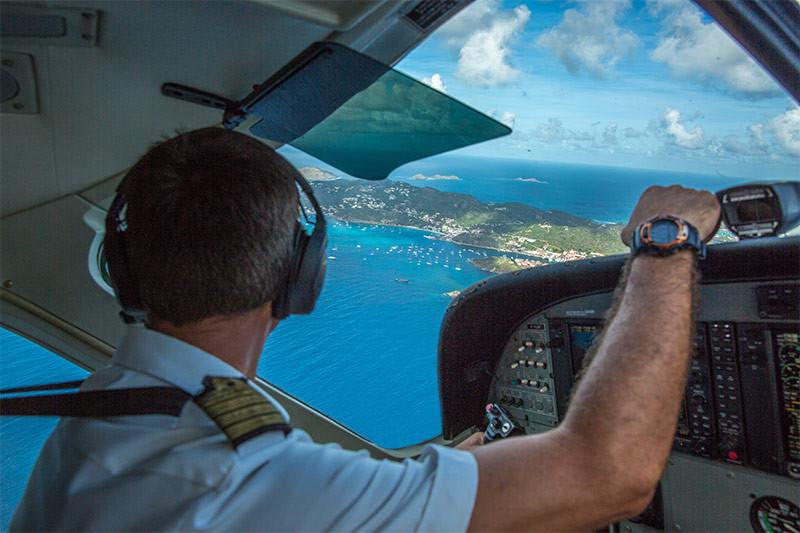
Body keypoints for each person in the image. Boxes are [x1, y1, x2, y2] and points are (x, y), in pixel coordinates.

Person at [11, 127, 720, 531]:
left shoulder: (97, 427)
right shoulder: (243, 473)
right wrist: (667, 241)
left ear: (125, 270)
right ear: (303, 276)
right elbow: (611, 474)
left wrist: (427, 480)